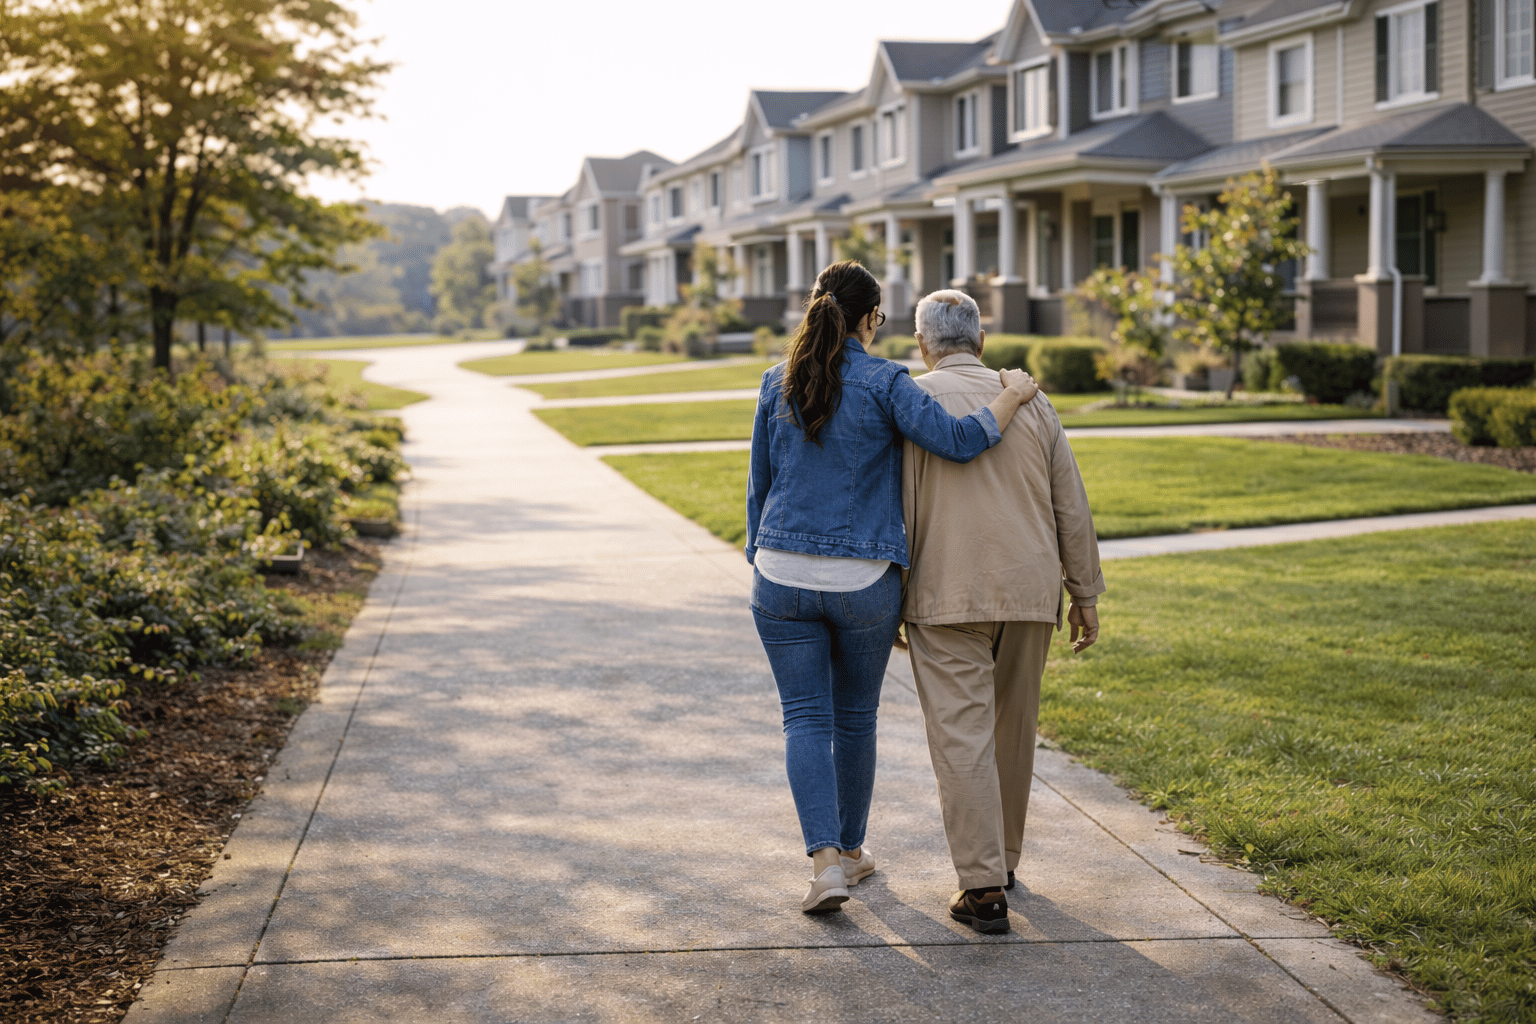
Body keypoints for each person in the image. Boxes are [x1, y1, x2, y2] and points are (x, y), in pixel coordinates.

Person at [745, 261, 1039, 914]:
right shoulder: (886, 382)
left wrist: (758, 558)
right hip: (862, 581)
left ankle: (825, 865)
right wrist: (1011, 397)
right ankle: (851, 852)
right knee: (853, 719)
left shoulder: (775, 381)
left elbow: (759, 486)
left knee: (804, 719)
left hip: (779, 576)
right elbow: (960, 442)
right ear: (872, 320)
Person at [899, 289, 1105, 934]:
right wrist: (1085, 592)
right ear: (981, 342)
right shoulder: (1033, 401)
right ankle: (1005, 861)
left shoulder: (911, 399)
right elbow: (1070, 502)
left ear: (922, 346)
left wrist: (890, 599)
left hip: (944, 592)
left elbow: (891, 504)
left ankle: (983, 885)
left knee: (961, 735)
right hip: (1027, 592)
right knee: (1012, 730)